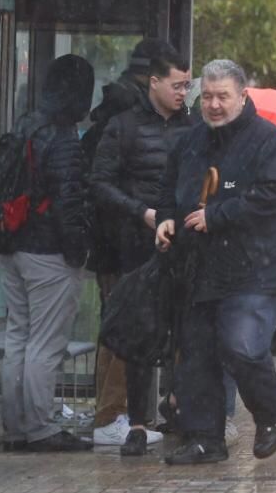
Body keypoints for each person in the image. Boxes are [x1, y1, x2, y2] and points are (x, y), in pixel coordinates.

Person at [156, 59, 276, 465]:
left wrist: (218, 216)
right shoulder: (191, 139)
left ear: (242, 96)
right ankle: (205, 438)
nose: (214, 105)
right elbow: (169, 188)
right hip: (198, 268)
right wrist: (165, 217)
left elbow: (274, 195)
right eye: (208, 97)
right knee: (196, 355)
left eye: (223, 97)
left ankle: (270, 412)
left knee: (241, 346)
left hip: (253, 267)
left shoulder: (267, 140)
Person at [90, 44, 193, 455]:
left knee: (185, 330)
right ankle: (127, 418)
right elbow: (99, 184)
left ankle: (181, 407)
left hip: (183, 245)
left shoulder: (193, 127)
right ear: (153, 82)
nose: (184, 92)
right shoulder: (124, 126)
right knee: (132, 333)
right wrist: (142, 213)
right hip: (134, 245)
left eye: (188, 85)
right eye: (177, 85)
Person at [0, 54, 94, 453]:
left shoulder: (26, 125)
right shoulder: (64, 137)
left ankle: (16, 428)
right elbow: (69, 202)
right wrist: (78, 252)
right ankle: (40, 428)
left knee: (18, 336)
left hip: (13, 246)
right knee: (45, 343)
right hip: (47, 253)